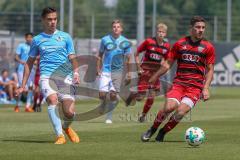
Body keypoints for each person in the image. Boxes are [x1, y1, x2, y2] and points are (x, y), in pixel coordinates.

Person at [141, 16, 215, 142]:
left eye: (203, 27)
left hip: (195, 88)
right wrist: (156, 76)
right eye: (198, 27)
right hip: (179, 84)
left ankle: (162, 132)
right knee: (169, 107)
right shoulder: (179, 44)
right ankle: (152, 129)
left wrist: (206, 88)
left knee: (181, 112)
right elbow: (168, 64)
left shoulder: (208, 47)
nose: (201, 30)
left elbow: (210, 70)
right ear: (191, 28)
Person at [15, 7, 80, 144]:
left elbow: (73, 57)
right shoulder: (37, 40)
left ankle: (66, 128)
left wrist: (76, 72)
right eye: (49, 19)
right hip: (46, 76)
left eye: (55, 19)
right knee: (52, 100)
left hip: (65, 77)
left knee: (69, 112)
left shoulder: (66, 37)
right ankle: (60, 136)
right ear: (43, 20)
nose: (53, 22)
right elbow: (29, 63)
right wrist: (22, 85)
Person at [96, 19, 132, 124]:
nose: (116, 28)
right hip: (106, 71)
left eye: (118, 27)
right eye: (114, 27)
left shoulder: (125, 42)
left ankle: (109, 116)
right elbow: (100, 55)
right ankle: (103, 104)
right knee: (102, 95)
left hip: (117, 72)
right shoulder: (104, 40)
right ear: (112, 28)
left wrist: (129, 73)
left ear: (121, 29)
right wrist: (98, 69)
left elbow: (128, 59)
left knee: (112, 94)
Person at [134, 23, 170, 122]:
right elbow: (136, 53)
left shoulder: (166, 46)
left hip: (155, 74)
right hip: (145, 72)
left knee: (151, 97)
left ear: (165, 34)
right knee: (140, 97)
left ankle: (143, 116)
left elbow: (167, 60)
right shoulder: (149, 42)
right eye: (159, 31)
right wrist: (138, 68)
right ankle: (135, 94)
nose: (161, 34)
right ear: (156, 32)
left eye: (163, 32)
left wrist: (164, 68)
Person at [14, 33, 35, 112]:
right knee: (21, 87)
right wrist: (21, 61)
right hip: (21, 69)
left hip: (31, 69)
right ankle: (17, 105)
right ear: (25, 38)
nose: (29, 39)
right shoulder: (21, 46)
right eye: (28, 37)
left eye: (31, 37)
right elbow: (16, 56)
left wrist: (35, 61)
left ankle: (27, 106)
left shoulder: (34, 47)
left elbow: (36, 57)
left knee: (30, 87)